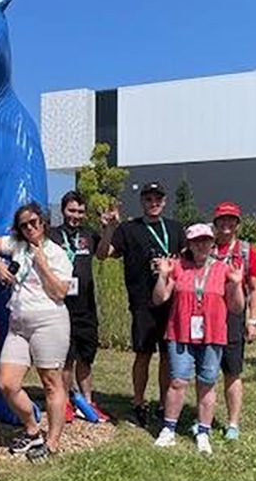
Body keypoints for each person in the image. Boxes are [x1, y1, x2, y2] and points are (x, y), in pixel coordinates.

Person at [0, 202, 73, 461]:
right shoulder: (16, 246)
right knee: (6, 383)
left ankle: (52, 443)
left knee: (51, 383)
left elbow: (60, 292)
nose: (30, 227)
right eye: (24, 225)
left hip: (49, 322)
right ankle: (32, 429)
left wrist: (41, 264)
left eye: (34, 222)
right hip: (18, 324)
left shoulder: (57, 253)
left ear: (43, 222)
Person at [152, 223, 245, 455]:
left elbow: (236, 307)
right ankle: (169, 429)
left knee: (207, 383)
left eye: (205, 240)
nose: (201, 245)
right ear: (189, 244)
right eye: (196, 241)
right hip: (180, 332)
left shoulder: (224, 269)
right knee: (178, 381)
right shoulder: (178, 267)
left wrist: (235, 284)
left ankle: (204, 431)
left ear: (212, 242)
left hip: (213, 334)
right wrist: (162, 276)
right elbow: (159, 298)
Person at [104, 181, 185, 427]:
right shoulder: (129, 229)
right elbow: (104, 253)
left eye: (157, 199)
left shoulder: (175, 228)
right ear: (142, 202)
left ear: (164, 201)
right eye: (148, 199)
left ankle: (163, 403)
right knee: (143, 354)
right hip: (142, 302)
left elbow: (187, 259)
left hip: (171, 300)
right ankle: (138, 402)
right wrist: (109, 227)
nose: (153, 203)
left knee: (167, 356)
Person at [49, 190, 112, 422]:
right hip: (60, 306)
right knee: (66, 358)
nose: (76, 215)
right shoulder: (53, 235)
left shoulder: (89, 234)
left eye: (80, 211)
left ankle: (87, 402)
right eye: (72, 210)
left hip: (86, 306)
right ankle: (65, 401)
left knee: (86, 357)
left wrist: (108, 229)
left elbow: (104, 254)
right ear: (63, 210)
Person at [211, 201, 256, 441]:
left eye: (231, 220)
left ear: (237, 224)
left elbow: (255, 287)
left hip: (233, 315)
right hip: (207, 316)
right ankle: (204, 419)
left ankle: (232, 423)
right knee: (207, 372)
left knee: (232, 371)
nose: (226, 224)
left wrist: (253, 320)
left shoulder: (245, 250)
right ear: (215, 223)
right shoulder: (204, 247)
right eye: (222, 219)